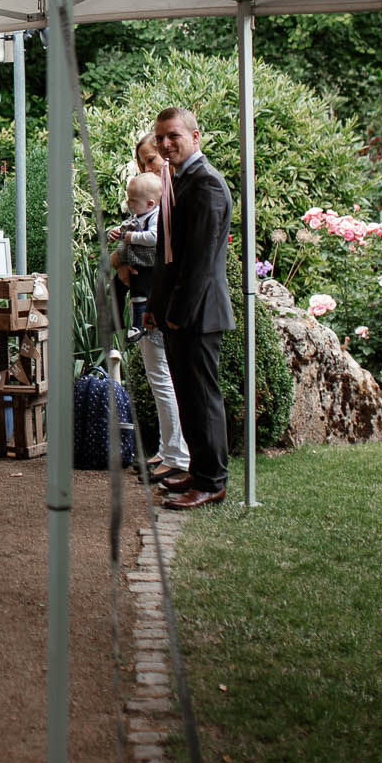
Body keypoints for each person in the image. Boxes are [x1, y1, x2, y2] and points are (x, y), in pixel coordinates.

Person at [148, 106, 236, 510]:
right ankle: (199, 472)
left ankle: (212, 481)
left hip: (198, 313)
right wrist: (155, 304)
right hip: (180, 312)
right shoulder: (178, 180)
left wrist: (176, 314)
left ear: (195, 137)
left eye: (174, 136)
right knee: (188, 396)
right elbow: (168, 256)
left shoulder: (206, 186)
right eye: (161, 137)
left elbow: (199, 264)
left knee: (203, 397)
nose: (166, 144)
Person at [109, 165, 188, 478]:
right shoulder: (144, 217)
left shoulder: (161, 219)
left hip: (154, 305)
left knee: (162, 378)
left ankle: (176, 453)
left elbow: (147, 249)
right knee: (159, 379)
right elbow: (117, 255)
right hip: (145, 298)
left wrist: (125, 246)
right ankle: (167, 449)